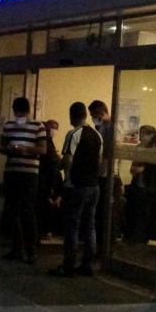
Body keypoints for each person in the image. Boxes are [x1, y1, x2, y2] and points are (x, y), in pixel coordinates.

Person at [49, 102, 103, 278]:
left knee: (72, 226)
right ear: (85, 115)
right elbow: (99, 160)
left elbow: (68, 160)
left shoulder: (73, 134)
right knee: (90, 226)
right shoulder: (97, 135)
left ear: (71, 115)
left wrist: (62, 171)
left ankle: (68, 265)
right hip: (94, 186)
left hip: (77, 185)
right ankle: (87, 265)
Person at [0, 97, 46, 263]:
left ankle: (31, 250)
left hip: (29, 173)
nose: (19, 116)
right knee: (12, 210)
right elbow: (2, 147)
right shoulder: (8, 125)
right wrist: (10, 149)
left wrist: (25, 149)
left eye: (21, 113)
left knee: (27, 211)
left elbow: (43, 149)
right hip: (12, 171)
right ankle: (16, 248)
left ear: (27, 111)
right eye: (17, 113)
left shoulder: (38, 126)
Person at [123, 125, 156, 244]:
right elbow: (133, 168)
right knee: (134, 213)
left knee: (144, 215)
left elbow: (154, 171)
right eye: (141, 133)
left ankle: (141, 238)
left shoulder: (154, 151)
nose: (141, 136)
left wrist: (142, 169)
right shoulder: (138, 148)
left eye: (144, 133)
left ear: (152, 135)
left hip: (148, 187)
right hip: (137, 185)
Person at [88, 99, 114, 253]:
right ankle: (98, 247)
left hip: (106, 174)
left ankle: (103, 249)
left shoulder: (111, 128)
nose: (93, 118)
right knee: (98, 213)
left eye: (94, 115)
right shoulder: (100, 127)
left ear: (101, 113)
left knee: (103, 214)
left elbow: (107, 152)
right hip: (99, 173)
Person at [35, 119, 63, 240]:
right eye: (53, 128)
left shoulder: (47, 141)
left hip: (48, 180)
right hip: (45, 179)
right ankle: (44, 231)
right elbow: (51, 162)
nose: (54, 131)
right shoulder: (46, 141)